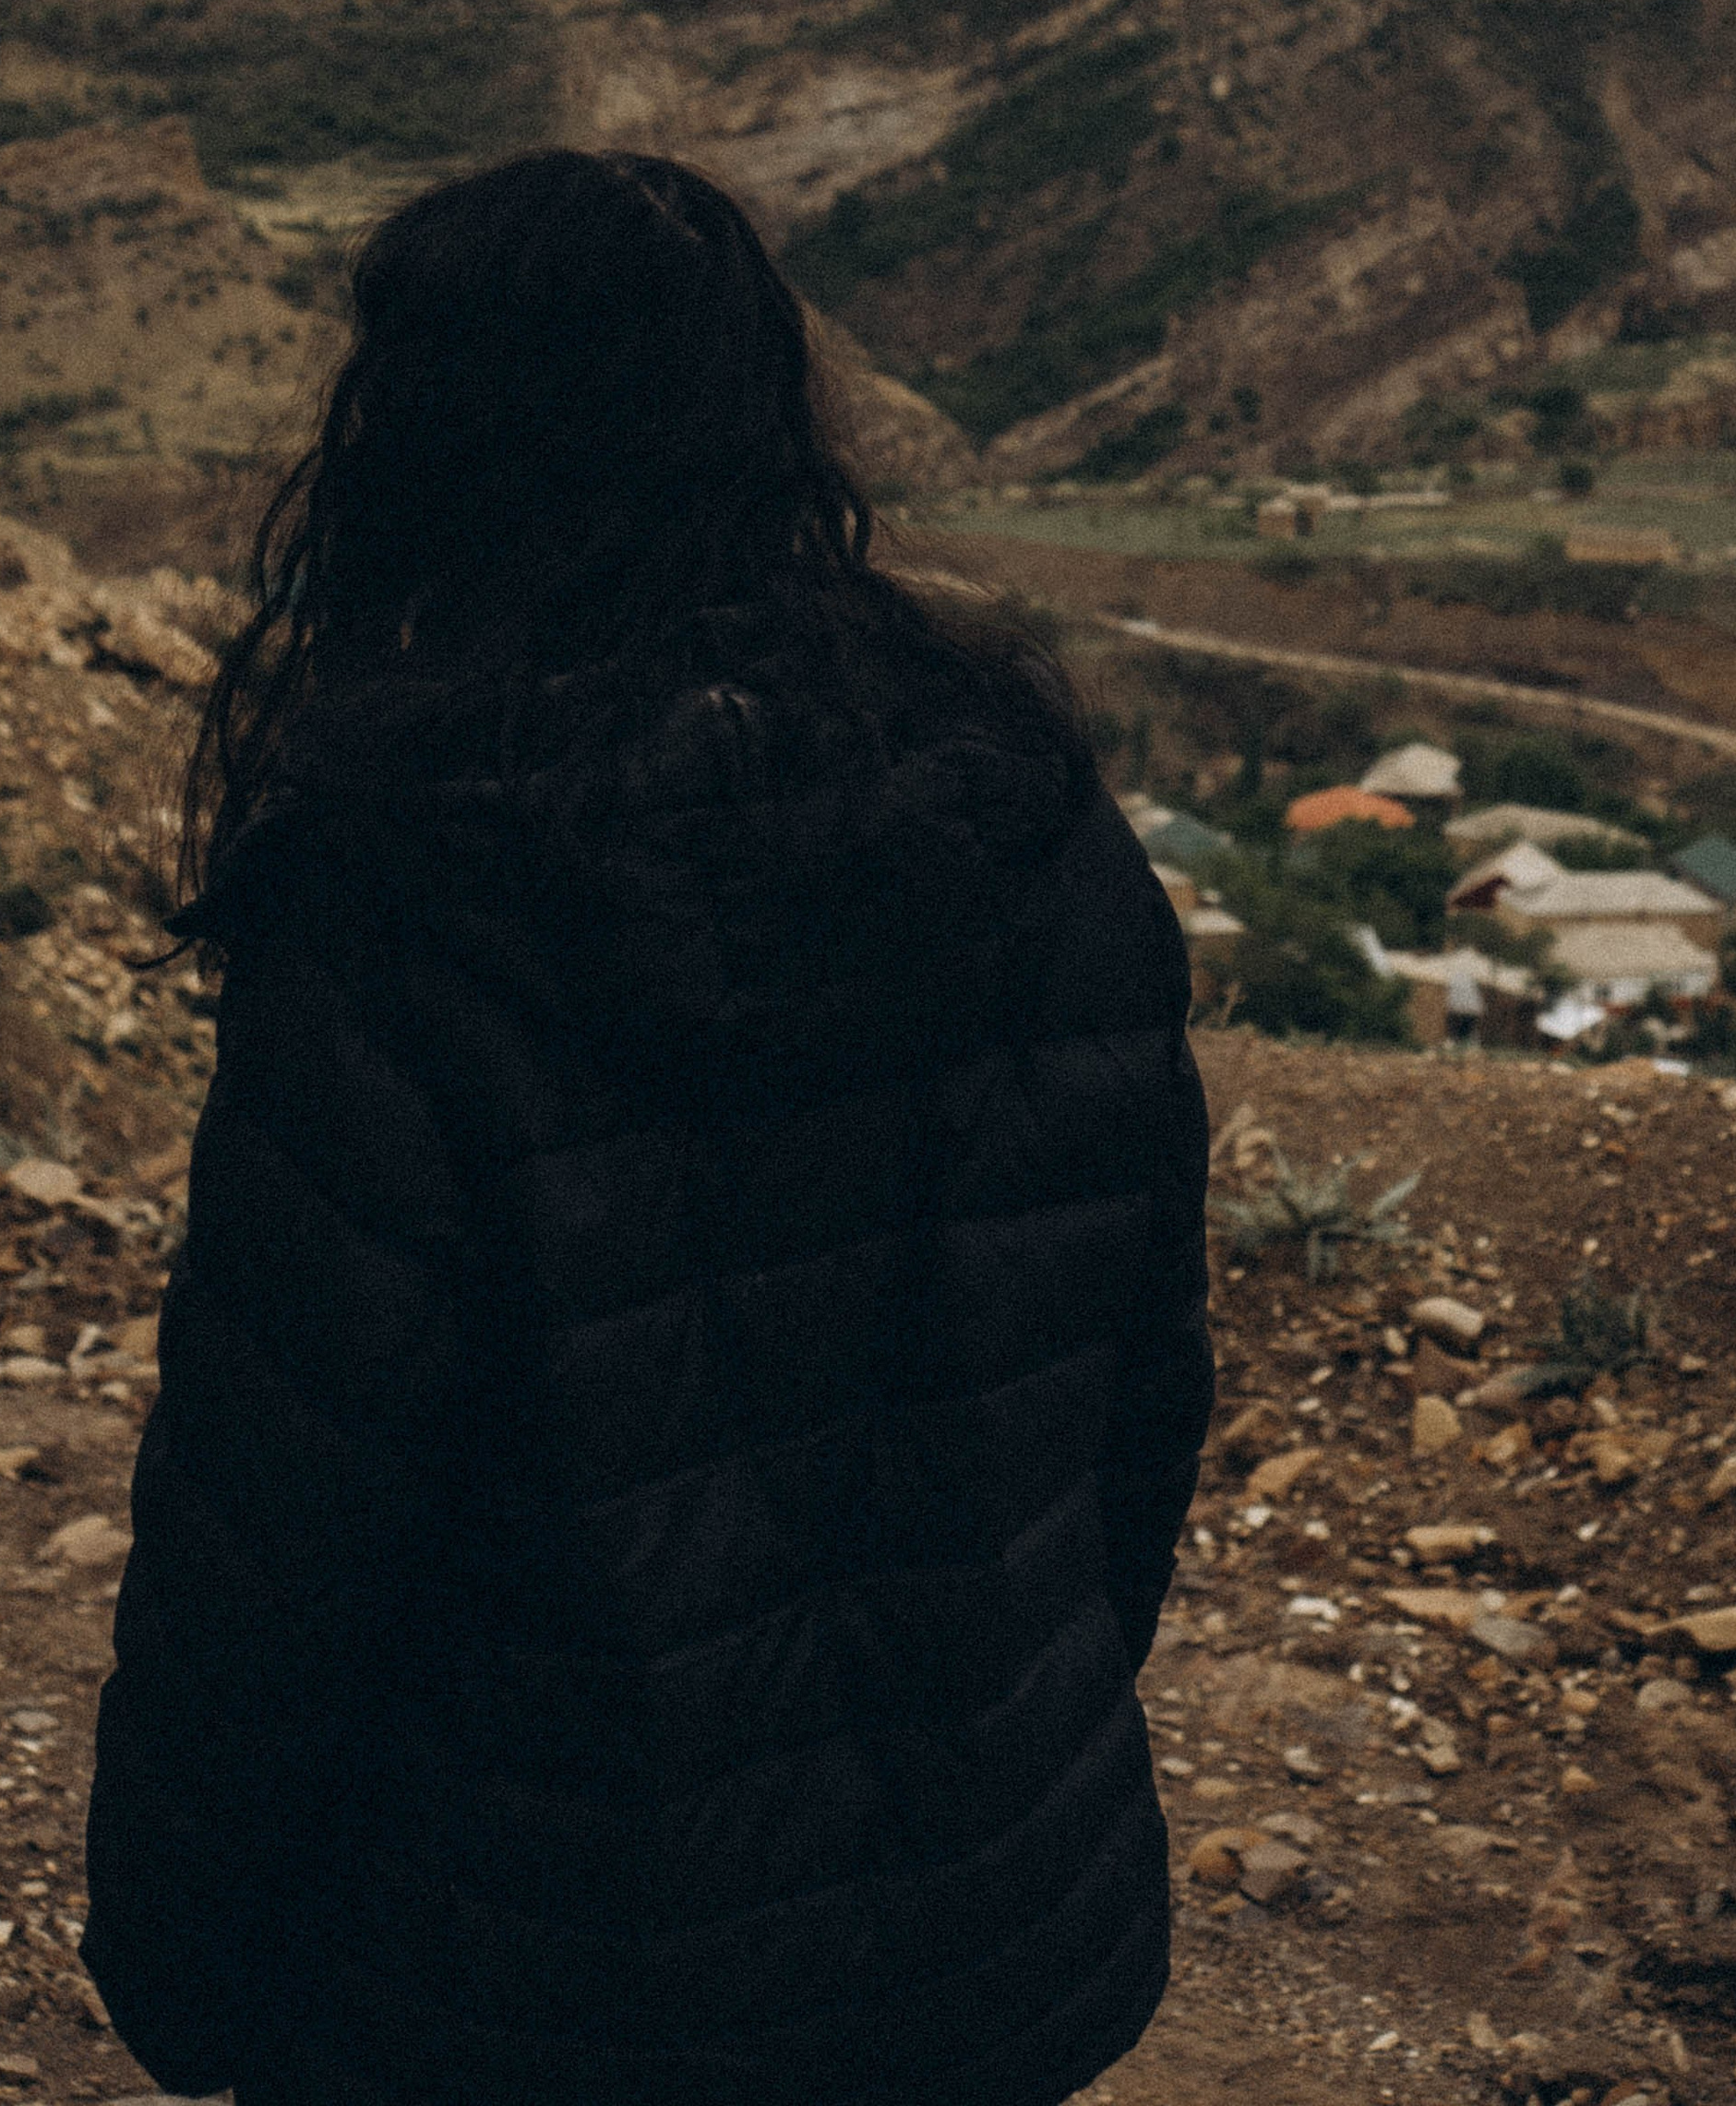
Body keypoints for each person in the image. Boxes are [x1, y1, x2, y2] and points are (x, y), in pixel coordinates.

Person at [83, 151, 1213, 2106]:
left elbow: (276, 1539)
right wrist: (995, 1778)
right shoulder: (1028, 812)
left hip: (527, 1983)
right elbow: (1132, 1404)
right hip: (980, 1957)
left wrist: (184, 1968)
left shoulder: (402, 884)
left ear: (421, 435)